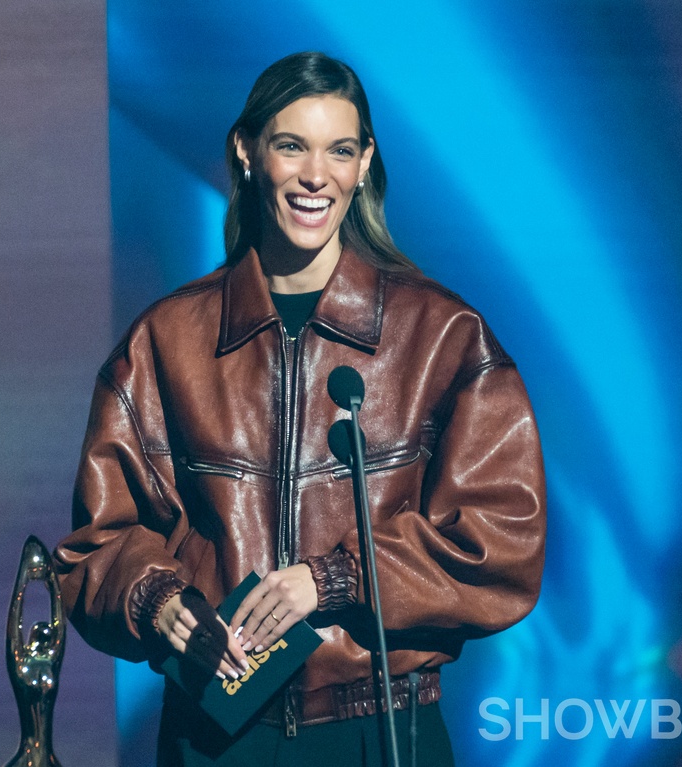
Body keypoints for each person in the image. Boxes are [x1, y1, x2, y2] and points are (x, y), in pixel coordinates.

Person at [55, 51, 546, 766]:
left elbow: (503, 539)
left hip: (380, 730)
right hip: (214, 733)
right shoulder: (167, 340)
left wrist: (332, 578)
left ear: (364, 163)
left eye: (339, 150)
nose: (317, 174)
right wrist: (160, 601)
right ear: (247, 152)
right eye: (292, 145)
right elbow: (99, 543)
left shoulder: (439, 335)